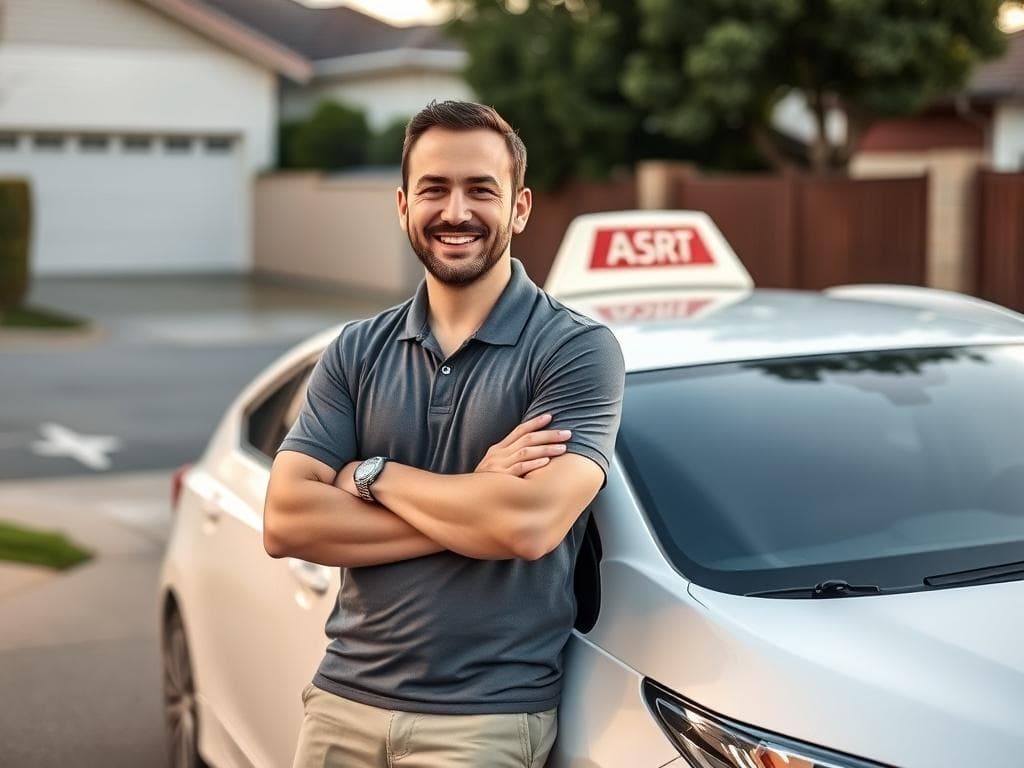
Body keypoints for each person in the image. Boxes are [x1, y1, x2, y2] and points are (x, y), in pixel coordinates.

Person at [263, 100, 625, 768]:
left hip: (483, 720)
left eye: (481, 189)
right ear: (402, 204)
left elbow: (529, 525)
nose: (455, 211)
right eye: (434, 188)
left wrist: (371, 477)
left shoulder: (575, 350)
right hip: (341, 700)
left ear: (519, 209)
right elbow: (286, 522)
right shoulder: (355, 350)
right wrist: (474, 501)